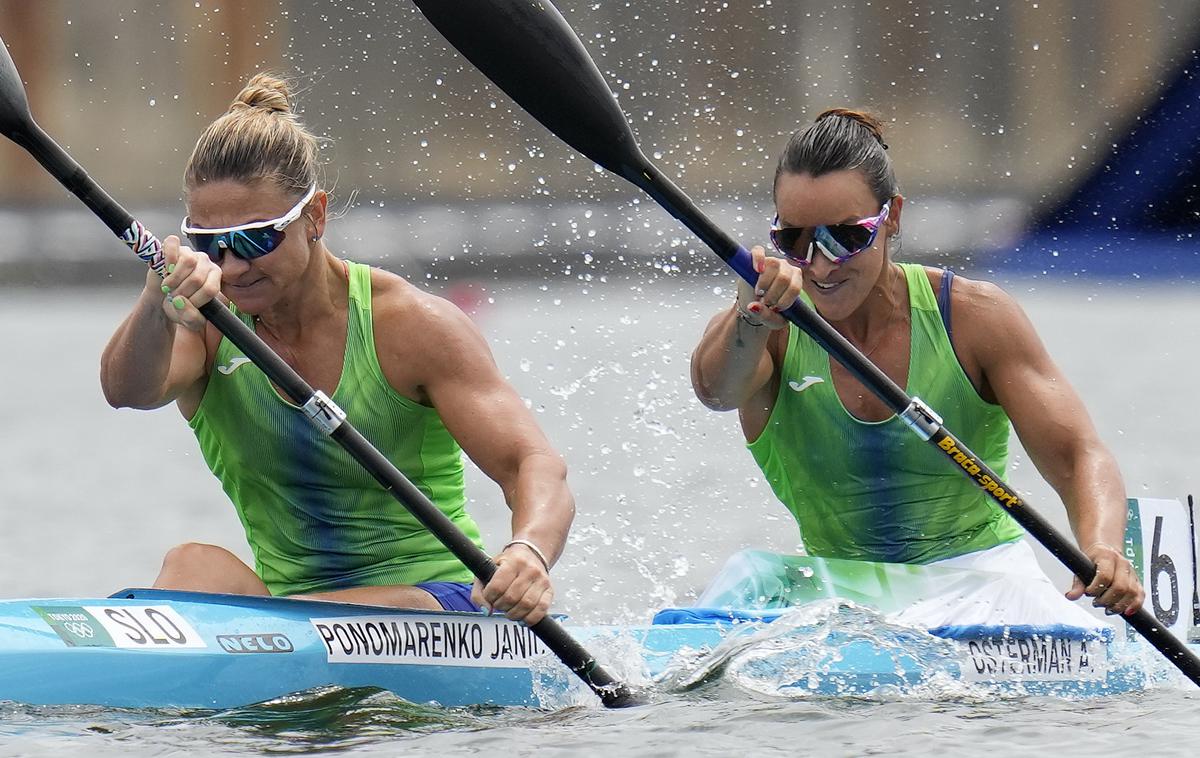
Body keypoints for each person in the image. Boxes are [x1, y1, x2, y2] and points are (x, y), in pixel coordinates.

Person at [100, 73, 571, 625]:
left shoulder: (411, 326)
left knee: (250, 605)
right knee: (191, 565)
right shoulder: (203, 325)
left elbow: (532, 464)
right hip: (294, 618)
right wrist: (157, 299)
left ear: (315, 217)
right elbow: (126, 391)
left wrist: (529, 551)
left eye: (256, 238)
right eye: (209, 243)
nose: (231, 266)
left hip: (442, 606)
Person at [690, 108, 1144, 619]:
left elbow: (1077, 454)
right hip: (844, 593)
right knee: (746, 575)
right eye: (795, 239)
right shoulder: (765, 327)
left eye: (846, 237)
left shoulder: (974, 317)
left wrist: (1104, 549)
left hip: (982, 582)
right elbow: (716, 392)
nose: (819, 263)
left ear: (894, 217)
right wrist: (750, 318)